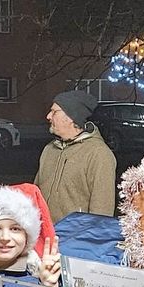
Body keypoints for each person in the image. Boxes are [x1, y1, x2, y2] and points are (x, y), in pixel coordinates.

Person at [34, 89, 117, 223]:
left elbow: (101, 213)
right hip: (44, 238)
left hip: (76, 240)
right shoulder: (49, 150)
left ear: (71, 117)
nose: (48, 116)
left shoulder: (98, 154)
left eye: (54, 112)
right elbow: (35, 196)